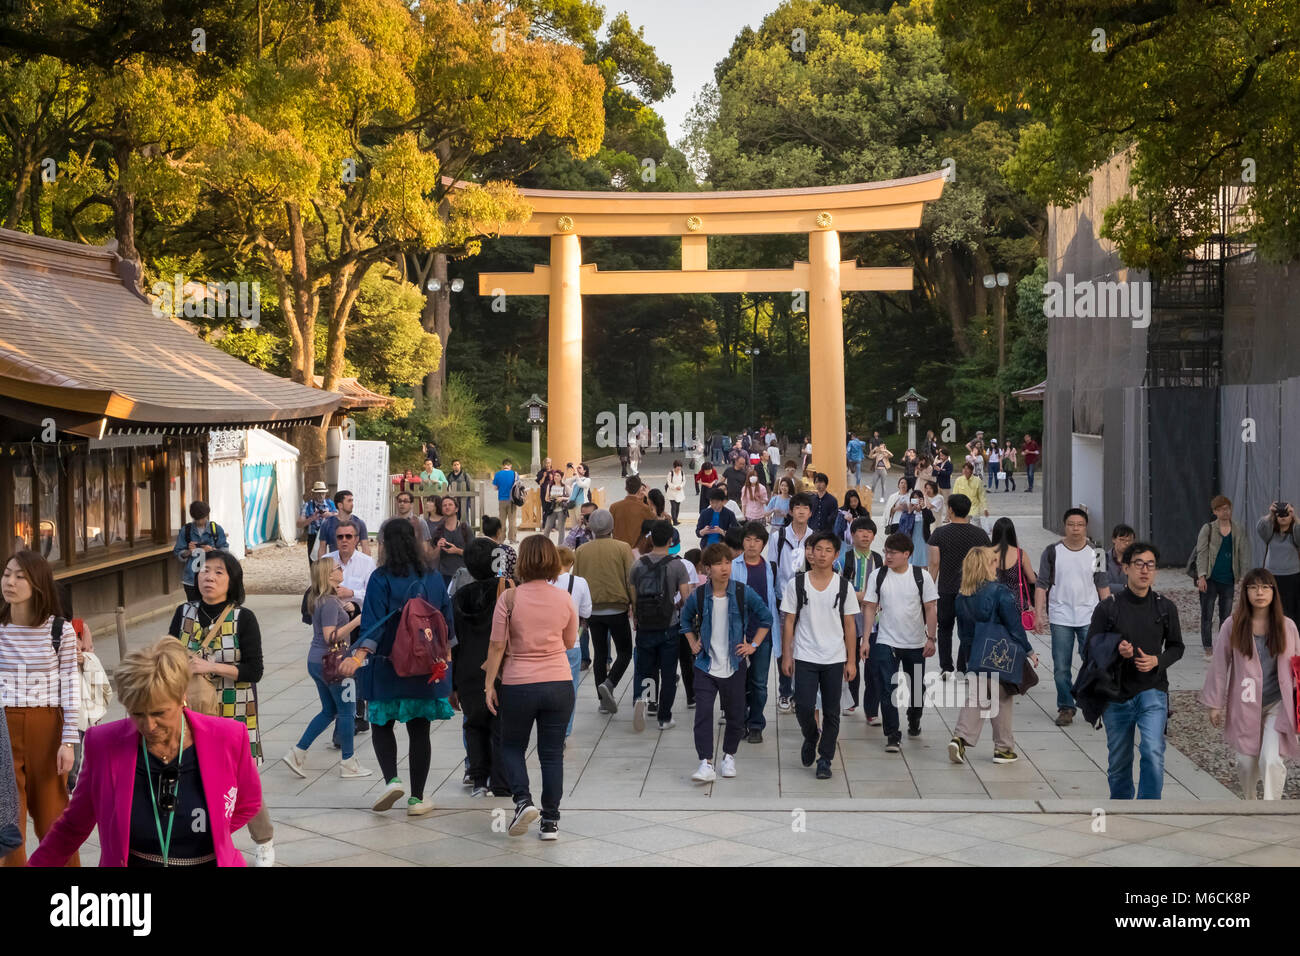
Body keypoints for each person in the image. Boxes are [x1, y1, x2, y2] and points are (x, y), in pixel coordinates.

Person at [27, 638, 262, 867]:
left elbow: (248, 802)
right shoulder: (104, 744)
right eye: (137, 714)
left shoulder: (228, 737)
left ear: (182, 697)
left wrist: (212, 830)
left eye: (159, 713)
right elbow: (73, 826)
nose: (149, 726)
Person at [166, 549, 275, 865]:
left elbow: (255, 670)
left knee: (241, 779)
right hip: (189, 708)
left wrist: (209, 667)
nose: (209, 577)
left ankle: (264, 841)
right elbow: (168, 657)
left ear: (231, 581)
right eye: (204, 571)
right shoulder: (183, 613)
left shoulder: (244, 618)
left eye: (218, 572)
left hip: (233, 710)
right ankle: (197, 841)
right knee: (188, 774)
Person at [340, 517, 455, 817]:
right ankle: (417, 799)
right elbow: (445, 617)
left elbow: (373, 623)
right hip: (424, 666)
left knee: (381, 725)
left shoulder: (380, 577)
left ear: (386, 545)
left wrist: (358, 655)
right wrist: (446, 655)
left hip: (388, 664)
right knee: (420, 732)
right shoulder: (432, 576)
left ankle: (392, 780)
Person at [483, 536, 578, 840]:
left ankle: (523, 801)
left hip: (518, 683)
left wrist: (488, 685)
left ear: (522, 561)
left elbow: (497, 646)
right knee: (551, 754)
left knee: (510, 746)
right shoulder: (564, 598)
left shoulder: (509, 599)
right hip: (559, 682)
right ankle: (550, 821)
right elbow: (569, 642)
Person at [0, 550, 80, 866]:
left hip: (47, 726)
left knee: (53, 820)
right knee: (9, 821)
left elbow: (71, 687)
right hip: (3, 725)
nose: (10, 582)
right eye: (7, 573)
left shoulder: (59, 630)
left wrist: (68, 741)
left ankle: (72, 902)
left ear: (38, 585)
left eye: (20, 576)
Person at [1089, 542, 1182, 799]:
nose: (1145, 570)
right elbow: (1090, 648)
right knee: (1119, 763)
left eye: (1150, 565)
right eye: (1139, 564)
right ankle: (1122, 809)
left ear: (1156, 571)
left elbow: (1177, 647)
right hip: (1116, 694)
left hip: (1152, 690)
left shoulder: (1165, 608)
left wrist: (1157, 661)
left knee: (1152, 751)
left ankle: (1148, 808)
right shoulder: (1108, 607)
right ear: (1126, 568)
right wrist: (1117, 649)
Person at [1200, 569, 1300, 800]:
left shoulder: (1288, 627)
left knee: (1271, 759)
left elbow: (1297, 666)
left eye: (1265, 587)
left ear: (1274, 592)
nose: (1260, 593)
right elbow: (1219, 664)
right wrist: (1215, 703)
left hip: (1278, 703)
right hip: (1246, 703)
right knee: (1246, 762)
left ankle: (1270, 809)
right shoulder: (1232, 625)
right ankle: (1250, 802)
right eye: (1253, 587)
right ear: (1245, 592)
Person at [681, 543, 773, 783]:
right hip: (705, 665)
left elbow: (766, 617)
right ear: (707, 569)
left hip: (734, 664)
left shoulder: (742, 592)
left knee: (735, 715)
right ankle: (705, 762)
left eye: (728, 562)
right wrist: (692, 641)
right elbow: (684, 618)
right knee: (702, 713)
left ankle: (729, 756)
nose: (725, 568)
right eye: (719, 564)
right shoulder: (700, 595)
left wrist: (752, 646)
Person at [283, 556, 372, 779]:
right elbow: (330, 636)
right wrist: (357, 620)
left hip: (317, 661)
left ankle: (298, 752)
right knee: (347, 711)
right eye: (337, 568)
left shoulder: (322, 599)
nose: (341, 570)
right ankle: (348, 762)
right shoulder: (330, 602)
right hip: (333, 662)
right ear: (329, 575)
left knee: (328, 711)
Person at [949, 547, 1037, 766]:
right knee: (1002, 699)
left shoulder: (962, 597)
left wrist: (969, 658)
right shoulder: (1000, 591)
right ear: (987, 565)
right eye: (993, 561)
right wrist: (1029, 650)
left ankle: (960, 738)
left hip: (976, 654)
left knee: (978, 697)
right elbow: (1014, 626)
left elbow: (964, 633)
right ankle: (1003, 749)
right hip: (1000, 653)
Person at [782, 532, 859, 779]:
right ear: (810, 552)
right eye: (818, 549)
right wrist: (786, 655)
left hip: (834, 658)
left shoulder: (843, 586)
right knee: (803, 705)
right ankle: (811, 735)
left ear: (836, 555)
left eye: (828, 550)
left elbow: (850, 625)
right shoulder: (797, 584)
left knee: (832, 711)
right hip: (805, 655)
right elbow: (789, 621)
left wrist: (851, 660)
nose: (822, 554)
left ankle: (825, 758)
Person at [1035, 507, 1112, 726]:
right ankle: (1066, 706)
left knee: (1094, 662)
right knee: (1061, 667)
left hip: (1090, 616)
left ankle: (1094, 702)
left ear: (1086, 526)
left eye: (1079, 525)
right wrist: (1039, 614)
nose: (1075, 529)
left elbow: (1103, 585)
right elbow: (1041, 585)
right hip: (1060, 616)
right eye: (1071, 524)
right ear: (1064, 526)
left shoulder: (1096, 552)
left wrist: (1109, 616)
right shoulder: (1052, 551)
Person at [863, 533, 938, 753]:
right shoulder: (878, 575)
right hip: (886, 640)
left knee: (917, 690)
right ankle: (892, 735)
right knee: (888, 689)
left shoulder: (921, 576)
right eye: (886, 551)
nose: (888, 556)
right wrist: (866, 639)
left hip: (915, 643)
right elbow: (869, 607)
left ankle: (914, 718)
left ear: (907, 554)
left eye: (893, 553)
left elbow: (930, 607)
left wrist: (931, 638)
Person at [452, 539, 509, 797]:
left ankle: (478, 779)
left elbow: (452, 643)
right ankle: (500, 779)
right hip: (497, 669)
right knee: (499, 723)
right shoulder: (505, 593)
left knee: (473, 724)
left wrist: (452, 684)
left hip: (467, 669)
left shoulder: (459, 598)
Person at [629, 522, 695, 733]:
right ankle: (664, 718)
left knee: (646, 667)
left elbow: (633, 595)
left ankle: (645, 700)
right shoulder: (677, 566)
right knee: (668, 672)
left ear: (651, 539)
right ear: (670, 541)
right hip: (669, 625)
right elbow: (685, 598)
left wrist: (637, 616)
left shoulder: (637, 565)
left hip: (645, 624)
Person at [574, 509, 635, 714]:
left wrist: (581, 613)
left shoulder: (582, 551)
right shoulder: (623, 548)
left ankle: (602, 702)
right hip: (617, 608)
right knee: (625, 651)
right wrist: (634, 605)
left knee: (599, 653)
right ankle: (609, 684)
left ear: (591, 527)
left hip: (593, 610)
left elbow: (578, 581)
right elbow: (630, 580)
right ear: (612, 527)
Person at [732, 522, 779, 743]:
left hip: (763, 634)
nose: (752, 544)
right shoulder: (732, 566)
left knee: (759, 683)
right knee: (738, 682)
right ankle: (739, 722)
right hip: (738, 634)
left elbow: (774, 600)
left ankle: (756, 723)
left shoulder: (770, 567)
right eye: (748, 539)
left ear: (763, 544)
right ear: (742, 541)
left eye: (757, 540)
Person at [769, 492, 815, 712]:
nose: (801, 510)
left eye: (805, 507)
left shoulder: (815, 539)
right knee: (784, 644)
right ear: (790, 510)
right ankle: (785, 692)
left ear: (810, 512)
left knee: (804, 644)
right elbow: (771, 568)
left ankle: (800, 693)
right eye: (797, 507)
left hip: (808, 599)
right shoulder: (778, 537)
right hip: (783, 598)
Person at [1193, 496, 1250, 660]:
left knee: (1226, 617)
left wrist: (1243, 575)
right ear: (1215, 512)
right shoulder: (1208, 529)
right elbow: (1201, 552)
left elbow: (1243, 553)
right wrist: (1201, 576)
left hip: (1229, 579)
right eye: (1222, 509)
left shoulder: (1238, 529)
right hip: (1210, 578)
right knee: (1207, 615)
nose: (1226, 512)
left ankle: (1224, 647)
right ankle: (1208, 649)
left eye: (1228, 508)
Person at [840, 518, 883, 723]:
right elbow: (838, 587)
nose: (865, 535)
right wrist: (862, 595)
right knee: (851, 660)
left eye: (869, 532)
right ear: (853, 534)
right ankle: (850, 700)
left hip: (875, 620)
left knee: (874, 665)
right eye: (861, 531)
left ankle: (871, 710)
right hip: (849, 618)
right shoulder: (843, 558)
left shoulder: (879, 559)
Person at [553, 545, 593, 705]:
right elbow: (587, 612)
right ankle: (566, 729)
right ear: (570, 563)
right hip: (571, 642)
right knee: (570, 689)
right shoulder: (580, 582)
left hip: (548, 643)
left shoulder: (544, 581)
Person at [173, 501, 228, 602]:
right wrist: (189, 551)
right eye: (196, 519)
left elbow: (225, 551)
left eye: (202, 518)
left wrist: (211, 550)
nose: (199, 522)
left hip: (212, 578)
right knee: (193, 608)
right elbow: (178, 553)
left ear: (207, 515)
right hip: (191, 579)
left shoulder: (215, 529)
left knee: (211, 606)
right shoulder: (186, 530)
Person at [990, 516, 1037, 632]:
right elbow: (1032, 579)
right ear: (1012, 533)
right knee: (1016, 638)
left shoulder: (987, 554)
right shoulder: (1020, 554)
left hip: (993, 602)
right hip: (1017, 603)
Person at [1258, 502, 1300, 624]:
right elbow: (1260, 528)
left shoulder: (1295, 533)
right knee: (1273, 608)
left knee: (1292, 610)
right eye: (1280, 514)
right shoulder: (1270, 534)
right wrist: (1270, 514)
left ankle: (1292, 636)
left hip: (1293, 576)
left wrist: (1294, 516)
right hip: (1272, 576)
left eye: (1286, 514)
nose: (1283, 516)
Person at [430, 495, 470, 587]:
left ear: (456, 509)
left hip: (463, 575)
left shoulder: (465, 529)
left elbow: (473, 554)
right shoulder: (438, 530)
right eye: (444, 505)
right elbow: (431, 556)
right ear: (442, 509)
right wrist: (438, 547)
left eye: (450, 504)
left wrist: (457, 551)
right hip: (443, 576)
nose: (447, 507)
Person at [319, 490, 371, 557]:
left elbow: (365, 547)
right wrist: (321, 566)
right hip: (333, 564)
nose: (352, 504)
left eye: (352, 501)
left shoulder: (359, 523)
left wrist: (367, 565)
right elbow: (322, 548)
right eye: (349, 501)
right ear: (340, 505)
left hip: (354, 564)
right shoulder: (327, 524)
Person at [611, 475, 657, 548]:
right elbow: (656, 519)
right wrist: (649, 498)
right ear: (639, 489)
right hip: (636, 549)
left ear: (626, 488)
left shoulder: (614, 507)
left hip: (618, 548)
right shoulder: (644, 508)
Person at [297, 481, 338, 563]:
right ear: (313, 494)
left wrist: (329, 514)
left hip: (329, 536)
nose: (321, 495)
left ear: (326, 494)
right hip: (313, 536)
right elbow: (299, 524)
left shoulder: (330, 503)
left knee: (330, 561)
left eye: (323, 493)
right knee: (314, 562)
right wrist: (312, 518)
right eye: (318, 493)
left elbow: (339, 516)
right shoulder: (307, 505)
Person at [833, 489, 870, 556]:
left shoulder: (863, 511)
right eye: (851, 502)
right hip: (846, 544)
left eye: (855, 501)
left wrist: (853, 521)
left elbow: (868, 526)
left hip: (861, 543)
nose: (853, 504)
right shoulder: (842, 512)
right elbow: (837, 531)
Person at [1105, 524, 1136, 595]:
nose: (1126, 543)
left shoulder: (1136, 560)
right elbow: (1098, 584)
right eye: (1122, 540)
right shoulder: (1101, 558)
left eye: (1130, 540)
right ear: (1114, 539)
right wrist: (1124, 587)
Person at [666, 460, 688, 525]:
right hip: (672, 492)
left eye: (680, 467)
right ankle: (675, 521)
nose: (679, 468)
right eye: (678, 467)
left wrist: (680, 486)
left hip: (679, 492)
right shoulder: (671, 473)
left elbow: (684, 481)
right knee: (673, 507)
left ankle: (676, 519)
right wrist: (675, 487)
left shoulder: (682, 473)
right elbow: (668, 482)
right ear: (675, 466)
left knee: (678, 506)